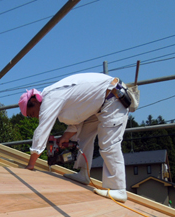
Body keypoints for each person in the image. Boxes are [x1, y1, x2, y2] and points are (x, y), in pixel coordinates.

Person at [19, 72, 130, 203]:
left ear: (34, 101)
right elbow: (77, 117)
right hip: (101, 104)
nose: (36, 117)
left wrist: (31, 164)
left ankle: (118, 189)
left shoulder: (50, 98)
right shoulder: (55, 96)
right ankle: (84, 174)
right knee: (84, 136)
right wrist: (66, 135)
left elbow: (42, 130)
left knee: (108, 144)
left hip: (113, 98)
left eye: (33, 113)